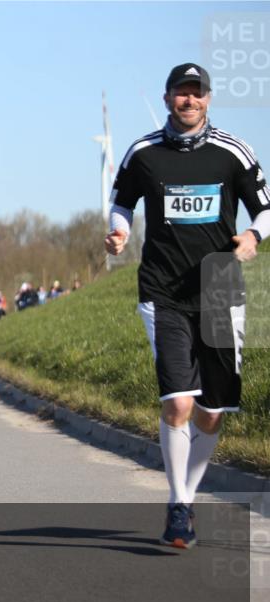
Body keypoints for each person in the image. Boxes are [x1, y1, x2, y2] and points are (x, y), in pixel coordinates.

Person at [105, 63, 269, 549]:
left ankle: (188, 499)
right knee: (178, 401)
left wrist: (253, 234)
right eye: (181, 93)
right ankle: (178, 505)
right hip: (163, 290)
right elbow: (121, 202)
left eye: (196, 94)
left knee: (212, 412)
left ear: (209, 100)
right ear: (167, 98)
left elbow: (264, 207)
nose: (189, 101)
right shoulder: (143, 153)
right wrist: (118, 231)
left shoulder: (232, 153)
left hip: (219, 287)